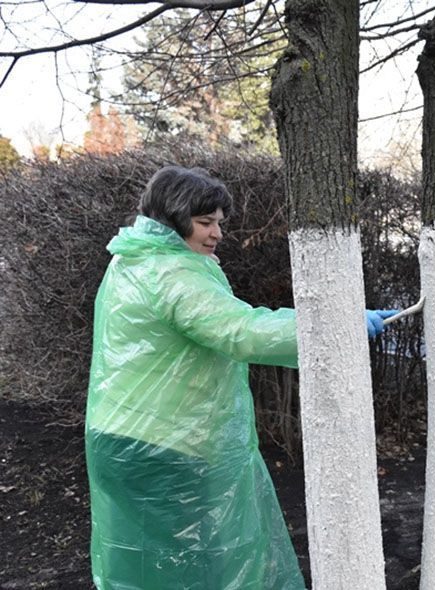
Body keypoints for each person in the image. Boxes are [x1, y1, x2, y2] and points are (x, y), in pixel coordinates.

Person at [85, 166, 396, 589]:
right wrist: (336, 327)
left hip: (119, 439)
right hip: (165, 448)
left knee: (145, 567)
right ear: (174, 218)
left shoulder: (133, 259)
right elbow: (241, 331)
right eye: (204, 222)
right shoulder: (171, 274)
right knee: (198, 570)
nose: (217, 234)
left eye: (219, 223)